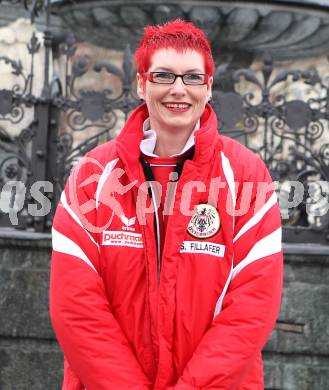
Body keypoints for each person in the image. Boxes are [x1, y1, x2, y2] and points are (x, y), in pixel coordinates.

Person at [50, 19, 283, 390]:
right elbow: (76, 308)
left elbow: (251, 309)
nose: (178, 89)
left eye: (192, 77)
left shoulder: (245, 175)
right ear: (142, 84)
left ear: (208, 88)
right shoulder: (91, 175)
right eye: (163, 76)